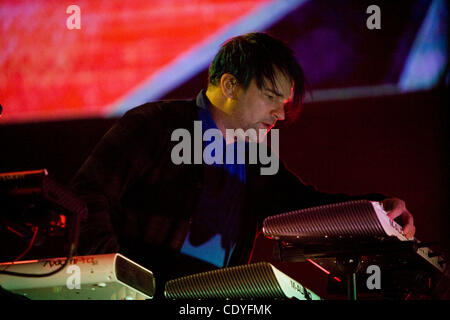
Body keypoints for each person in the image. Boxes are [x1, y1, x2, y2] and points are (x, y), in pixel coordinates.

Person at [70, 32, 415, 296]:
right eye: (270, 96)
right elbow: (88, 194)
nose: (280, 114)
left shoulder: (255, 158)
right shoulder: (155, 124)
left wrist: (379, 209)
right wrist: (116, 275)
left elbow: (306, 205)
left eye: (285, 103)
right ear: (230, 85)